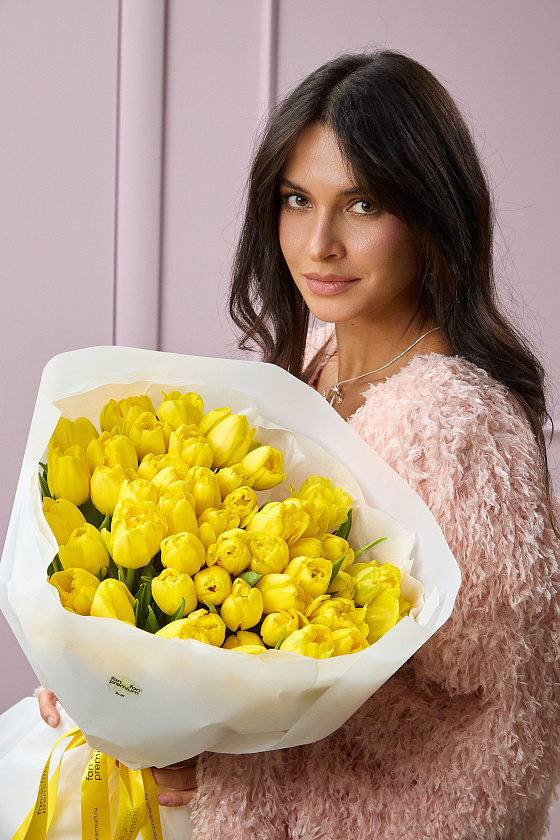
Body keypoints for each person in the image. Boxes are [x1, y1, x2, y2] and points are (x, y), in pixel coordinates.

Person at [40, 51, 560, 839]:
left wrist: (219, 763)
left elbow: (499, 741)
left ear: (432, 212)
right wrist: (111, 684)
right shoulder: (312, 366)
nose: (319, 243)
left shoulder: (456, 431)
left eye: (363, 205)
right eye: (297, 199)